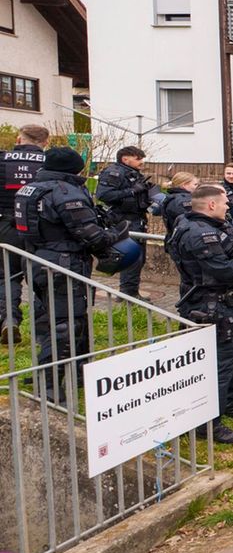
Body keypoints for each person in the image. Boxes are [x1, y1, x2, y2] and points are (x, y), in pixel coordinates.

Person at [17, 148, 131, 403]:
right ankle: (48, 387)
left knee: (56, 319)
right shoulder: (65, 192)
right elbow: (92, 236)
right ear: (74, 168)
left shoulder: (30, 188)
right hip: (63, 265)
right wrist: (118, 233)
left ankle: (79, 373)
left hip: (38, 261)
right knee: (65, 325)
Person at [169, 185, 233, 442]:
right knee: (219, 365)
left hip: (226, 304)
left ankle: (230, 404)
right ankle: (208, 425)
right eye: (225, 203)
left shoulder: (208, 225)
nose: (228, 206)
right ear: (211, 205)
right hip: (210, 306)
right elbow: (224, 270)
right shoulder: (199, 233)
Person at [0, 124, 47, 343]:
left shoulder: (3, 160)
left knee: (6, 276)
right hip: (41, 228)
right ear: (45, 143)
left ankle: (9, 320)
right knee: (42, 277)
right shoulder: (51, 163)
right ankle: (44, 330)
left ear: (19, 139)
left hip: (6, 226)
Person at [95, 145, 155, 297]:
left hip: (137, 218)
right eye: (138, 159)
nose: (142, 162)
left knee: (138, 259)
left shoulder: (132, 173)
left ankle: (131, 292)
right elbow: (104, 195)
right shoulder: (114, 173)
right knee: (132, 258)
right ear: (125, 159)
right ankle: (128, 295)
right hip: (124, 219)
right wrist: (132, 191)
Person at [159, 172, 198, 239]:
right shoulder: (183, 201)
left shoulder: (171, 197)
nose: (197, 187)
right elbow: (190, 221)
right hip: (185, 239)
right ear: (184, 185)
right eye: (195, 184)